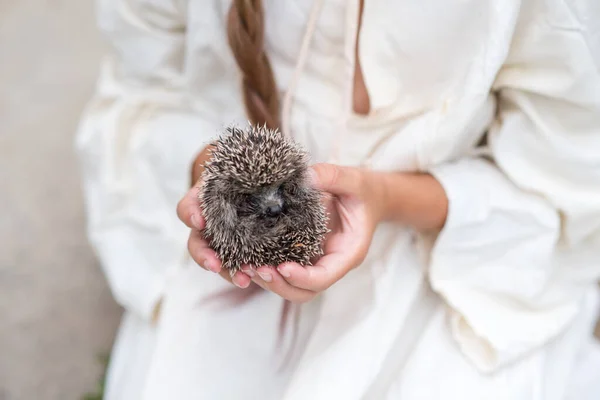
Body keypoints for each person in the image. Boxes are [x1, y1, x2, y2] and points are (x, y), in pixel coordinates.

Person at [75, 0, 600, 399]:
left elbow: (560, 171)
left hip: (454, 239)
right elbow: (150, 87)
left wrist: (383, 199)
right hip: (240, 244)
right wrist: (211, 174)